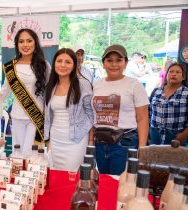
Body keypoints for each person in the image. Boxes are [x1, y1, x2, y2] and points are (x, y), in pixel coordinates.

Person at [92, 45, 149, 175]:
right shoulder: (96, 84)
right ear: (103, 63)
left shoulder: (134, 84)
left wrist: (142, 148)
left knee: (119, 183)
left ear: (126, 63)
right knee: (105, 181)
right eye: (109, 60)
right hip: (100, 142)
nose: (114, 64)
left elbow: (143, 119)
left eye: (118, 60)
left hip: (124, 143)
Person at [1, 28, 51, 156]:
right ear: (17, 45)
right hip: (17, 116)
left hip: (36, 116)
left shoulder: (43, 65)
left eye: (29, 41)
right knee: (18, 154)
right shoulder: (11, 67)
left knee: (32, 155)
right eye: (21, 41)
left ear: (35, 43)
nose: (25, 45)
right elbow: (3, 93)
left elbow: (51, 91)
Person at [44, 48, 94, 171]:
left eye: (68, 62)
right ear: (54, 63)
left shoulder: (83, 84)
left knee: (72, 175)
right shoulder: (51, 85)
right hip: (56, 139)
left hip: (76, 139)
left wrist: (91, 140)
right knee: (58, 174)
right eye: (59, 61)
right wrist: (48, 140)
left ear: (74, 65)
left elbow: (91, 114)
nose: (62, 65)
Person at [149, 63, 188, 145]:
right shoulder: (156, 91)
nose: (174, 74)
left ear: (183, 77)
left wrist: (183, 135)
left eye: (178, 72)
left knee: (175, 158)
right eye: (171, 71)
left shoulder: (186, 93)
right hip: (155, 134)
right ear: (166, 75)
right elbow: (148, 112)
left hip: (176, 136)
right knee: (154, 157)